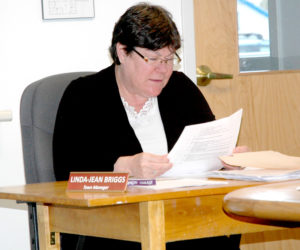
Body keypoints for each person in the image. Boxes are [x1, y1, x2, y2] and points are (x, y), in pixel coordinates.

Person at [53, 2, 245, 249]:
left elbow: (205, 148)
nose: (162, 70)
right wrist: (123, 168)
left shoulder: (180, 88)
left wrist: (225, 160)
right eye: (152, 58)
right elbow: (67, 181)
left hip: (183, 220)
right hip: (115, 228)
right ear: (122, 52)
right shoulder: (83, 96)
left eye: (168, 59)